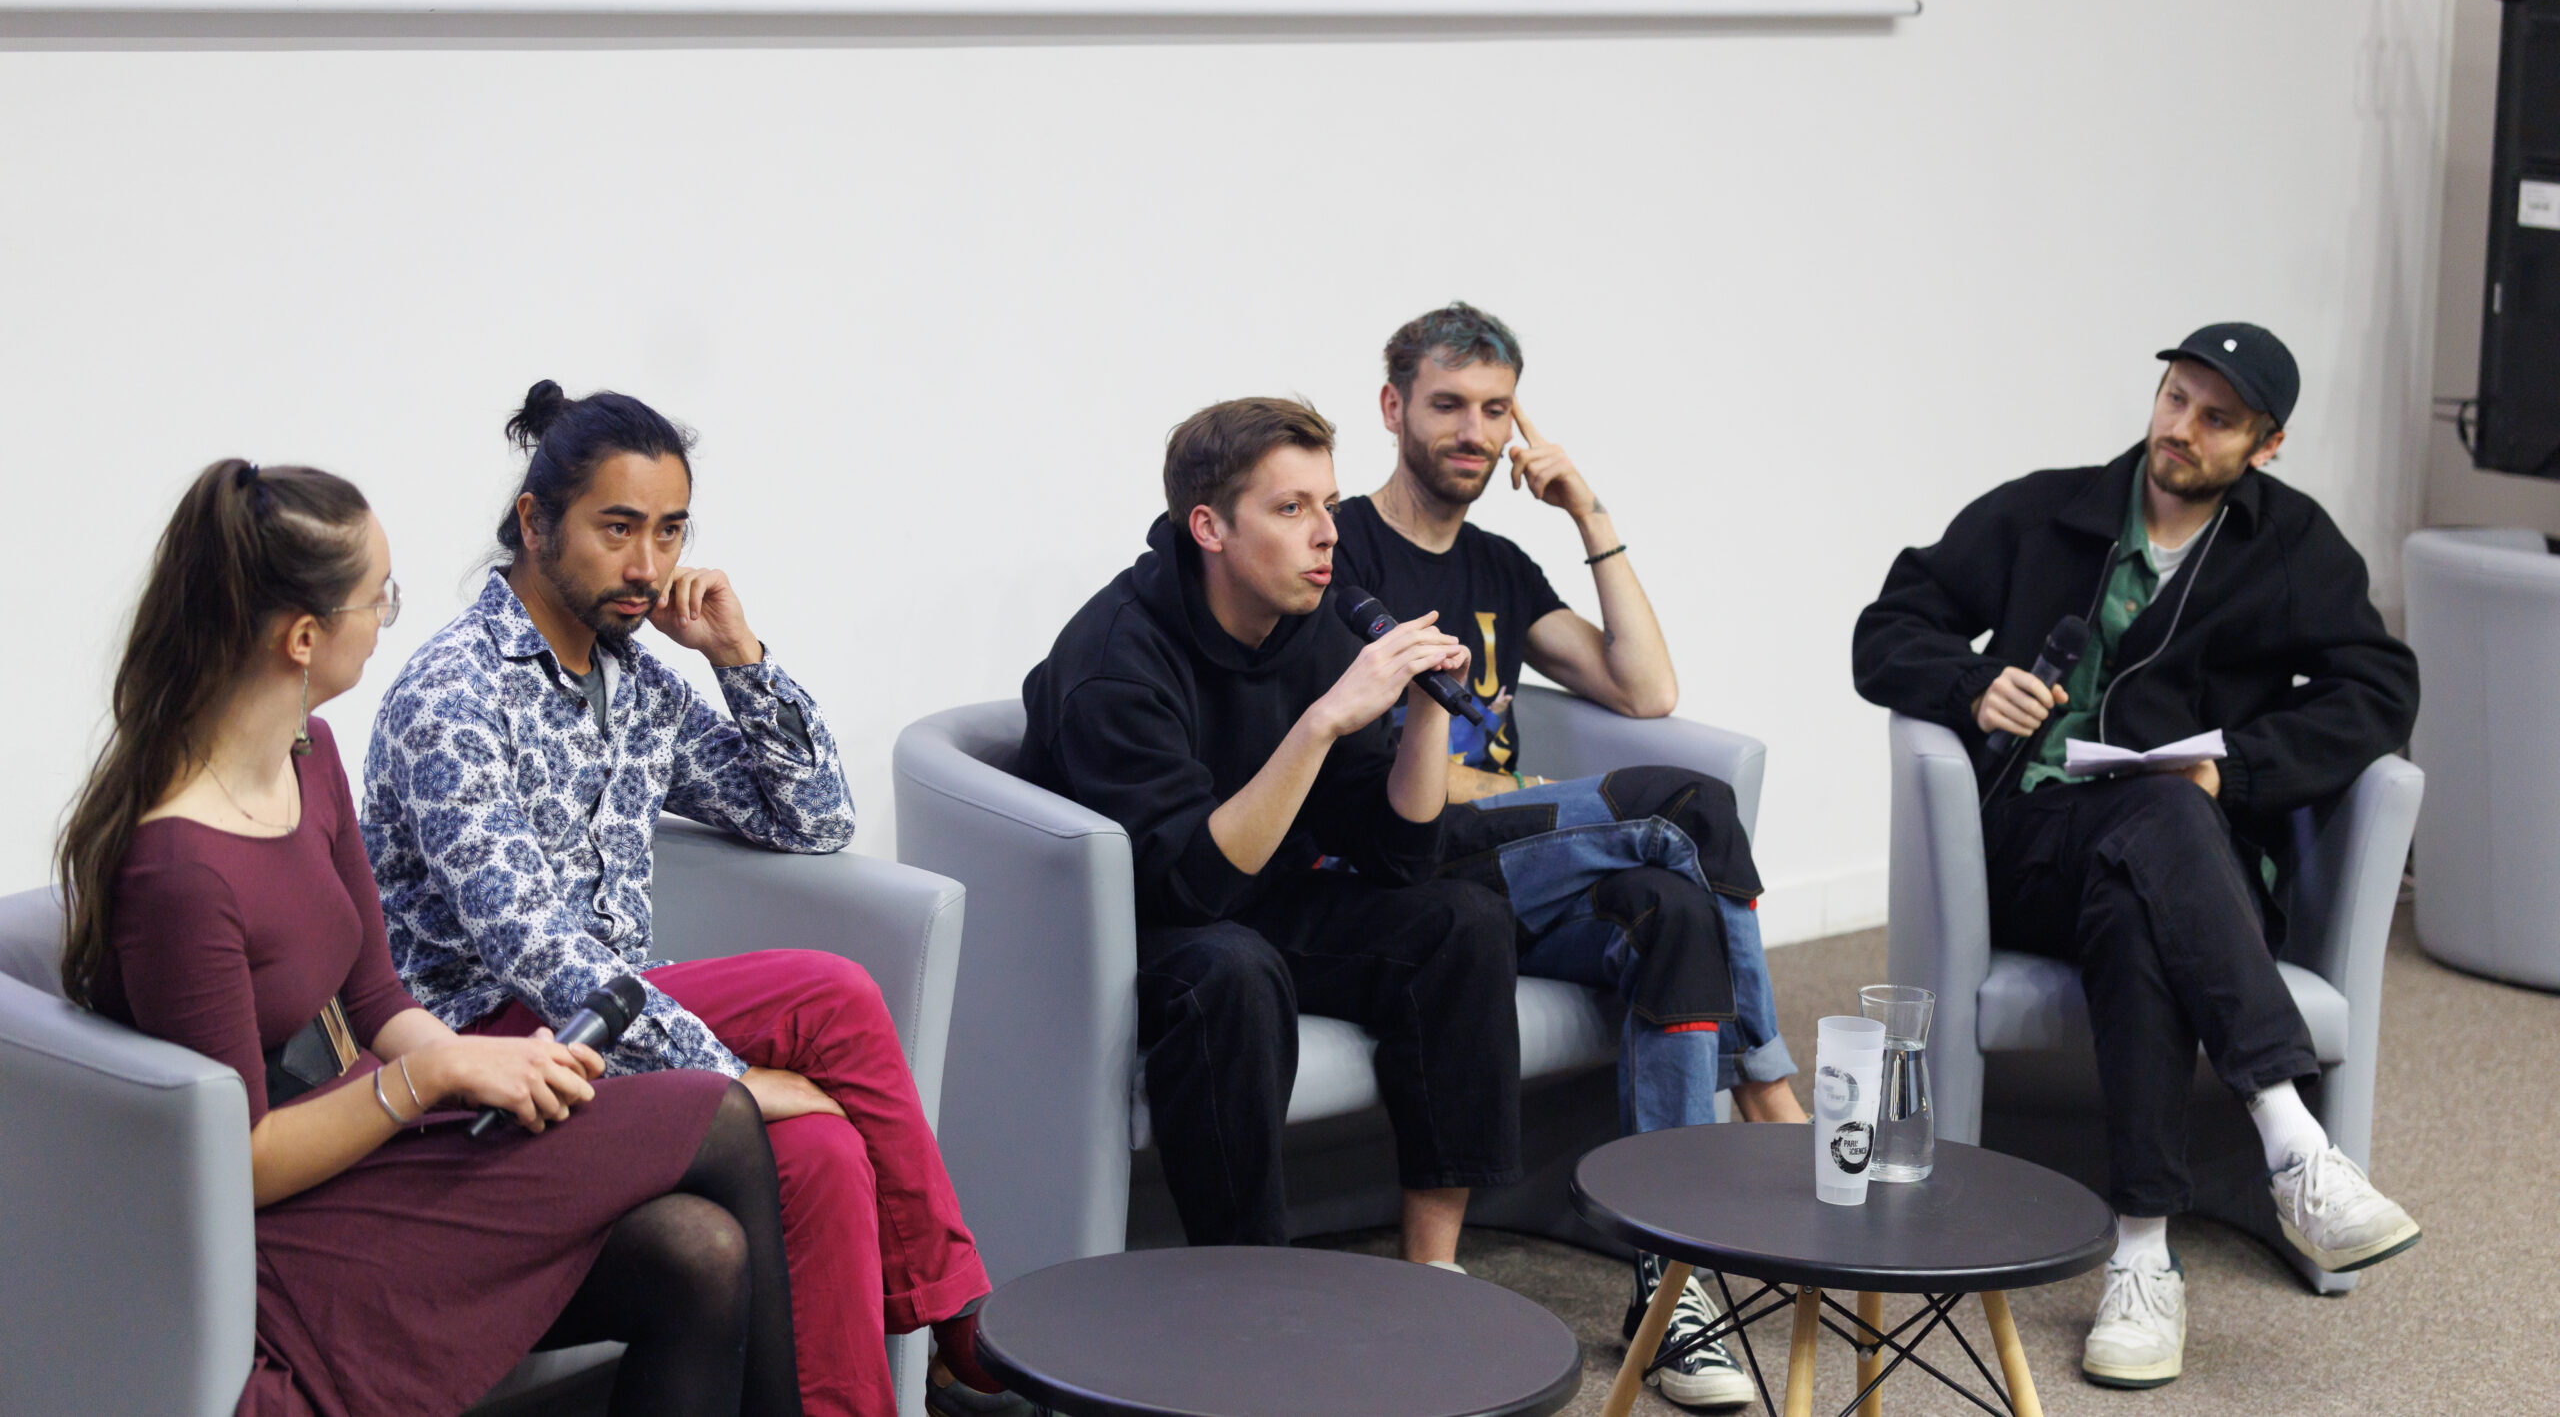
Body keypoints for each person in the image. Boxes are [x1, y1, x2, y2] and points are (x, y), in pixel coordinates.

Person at [59, 460, 800, 1417]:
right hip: (281, 1220)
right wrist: (435, 1076)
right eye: (379, 598)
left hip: (368, 1139)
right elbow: (241, 1164)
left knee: (700, 1252)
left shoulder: (307, 756)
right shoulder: (181, 870)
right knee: (721, 1114)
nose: (387, 618)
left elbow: (375, 998)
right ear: (302, 637)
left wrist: (492, 1068)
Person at [362, 384, 1002, 1417]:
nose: (648, 566)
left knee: (826, 1151)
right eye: (618, 528)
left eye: (669, 532)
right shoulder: (453, 695)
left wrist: (738, 657)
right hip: (489, 1049)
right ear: (535, 523)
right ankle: (964, 1326)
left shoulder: (638, 684)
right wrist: (731, 1082)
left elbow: (812, 817)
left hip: (611, 1027)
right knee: (832, 996)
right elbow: (534, 950)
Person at [1852, 324, 2424, 1391]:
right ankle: (2292, 1141)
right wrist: (1970, 686)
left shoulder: (2293, 547)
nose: (2181, 428)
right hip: (2028, 848)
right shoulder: (2044, 511)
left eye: (2217, 418)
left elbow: (2381, 692)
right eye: (2175, 398)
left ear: (2266, 444)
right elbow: (1884, 630)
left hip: (2183, 858)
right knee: (2151, 831)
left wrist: (2235, 769)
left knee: (2142, 870)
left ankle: (2143, 1255)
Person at [1331, 302, 1789, 1410]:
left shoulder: (1497, 564)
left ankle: (1669, 1286)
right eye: (1448, 405)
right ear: (1393, 408)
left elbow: (1646, 686)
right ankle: (1772, 1096)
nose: (1473, 433)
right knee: (1689, 806)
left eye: (1495, 410)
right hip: (1404, 866)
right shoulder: (1339, 550)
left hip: (1511, 868)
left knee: (1675, 912)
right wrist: (1505, 789)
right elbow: (1361, 769)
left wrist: (1588, 511)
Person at [1017, 396, 1522, 1267]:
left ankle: (1435, 1268)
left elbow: (1399, 854)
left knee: (1462, 922)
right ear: (1209, 527)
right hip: (1128, 930)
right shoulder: (1114, 661)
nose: (1327, 534)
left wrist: (1426, 710)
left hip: (1258, 900)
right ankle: (1248, 1284)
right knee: (1234, 973)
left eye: (1330, 504)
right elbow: (1191, 886)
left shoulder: (1311, 626)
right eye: (1292, 509)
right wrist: (1322, 723)